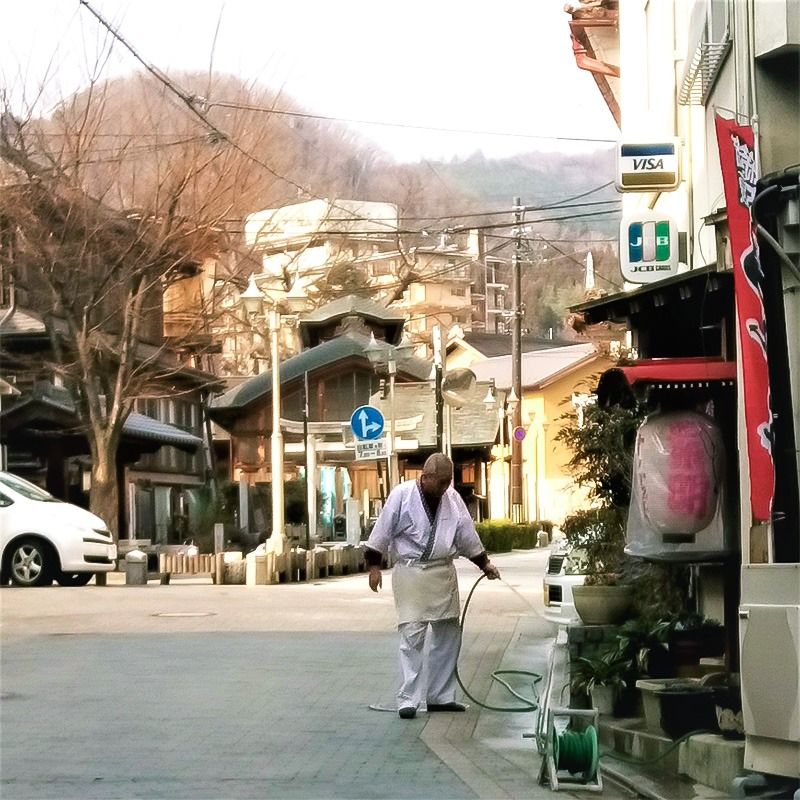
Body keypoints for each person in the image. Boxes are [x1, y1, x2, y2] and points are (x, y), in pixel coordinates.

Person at [365, 453, 501, 719]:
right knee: (412, 634)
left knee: (449, 632)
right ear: (424, 477)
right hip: (411, 572)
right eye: (440, 482)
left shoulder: (452, 498)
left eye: (448, 482)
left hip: (442, 571)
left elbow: (466, 535)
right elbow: (382, 531)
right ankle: (408, 698)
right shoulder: (402, 495)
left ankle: (440, 696)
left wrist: (484, 563)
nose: (444, 487)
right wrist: (374, 567)